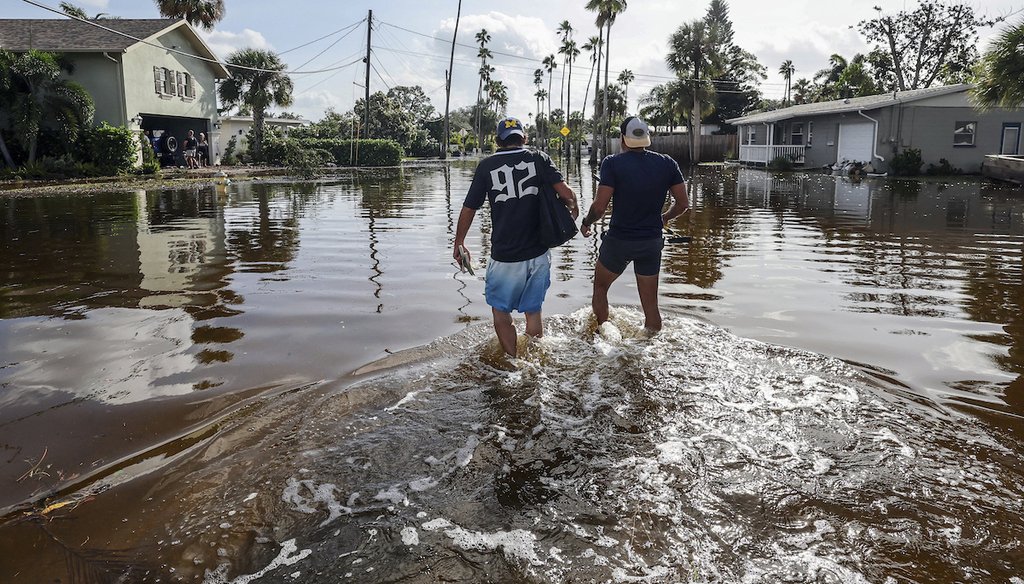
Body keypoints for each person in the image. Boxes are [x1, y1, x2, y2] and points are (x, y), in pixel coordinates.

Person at [454, 116, 579, 357]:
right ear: (524, 137)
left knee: (501, 313)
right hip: (538, 252)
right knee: (533, 312)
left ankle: (513, 362)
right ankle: (533, 361)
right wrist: (574, 208)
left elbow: (469, 208)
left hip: (505, 255)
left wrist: (459, 242)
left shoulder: (486, 166)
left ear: (498, 140)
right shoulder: (538, 158)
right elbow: (566, 193)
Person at [579, 116, 690, 333]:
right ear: (647, 138)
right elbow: (683, 204)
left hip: (619, 241)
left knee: (600, 288)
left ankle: (603, 334)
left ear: (623, 139)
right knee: (651, 308)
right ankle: (651, 339)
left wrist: (586, 222)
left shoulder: (612, 163)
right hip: (651, 242)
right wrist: (664, 219)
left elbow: (600, 207)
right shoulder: (667, 163)